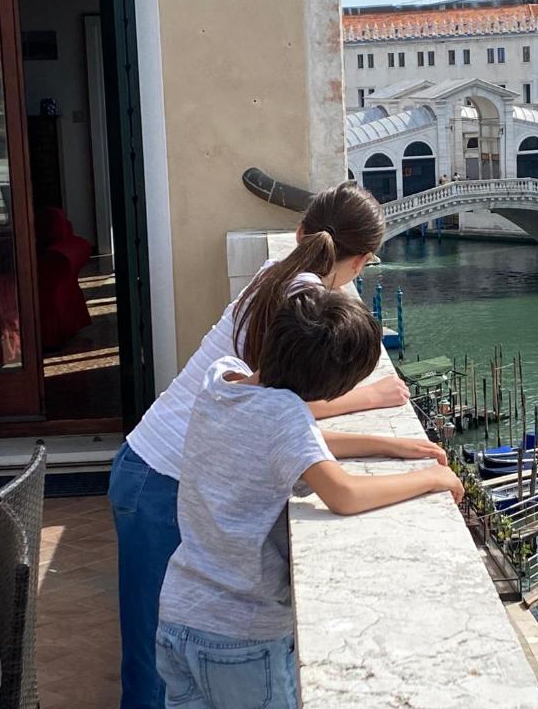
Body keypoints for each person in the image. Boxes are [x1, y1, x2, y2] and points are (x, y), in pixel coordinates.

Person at [108, 182, 441, 709]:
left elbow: (271, 408)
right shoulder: (299, 301)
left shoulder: (281, 276)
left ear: (301, 233)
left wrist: (379, 433)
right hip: (161, 480)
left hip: (149, 465)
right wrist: (369, 400)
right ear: (362, 263)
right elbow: (287, 412)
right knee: (149, 684)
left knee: (155, 667)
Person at [156, 284, 464, 709]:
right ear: (327, 389)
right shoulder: (283, 415)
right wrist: (431, 479)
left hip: (179, 614)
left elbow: (298, 445)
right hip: (239, 635)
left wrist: (390, 445)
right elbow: (344, 494)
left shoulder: (222, 379)